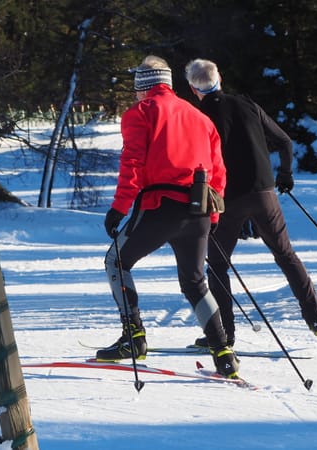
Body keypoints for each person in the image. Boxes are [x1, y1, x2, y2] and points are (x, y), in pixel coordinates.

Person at [97, 55, 240, 378]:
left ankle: (133, 338)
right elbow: (219, 171)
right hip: (200, 210)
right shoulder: (199, 116)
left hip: (160, 206)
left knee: (116, 262)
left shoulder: (140, 113)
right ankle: (223, 352)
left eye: (136, 88)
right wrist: (213, 217)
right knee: (195, 281)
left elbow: (132, 163)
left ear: (143, 87)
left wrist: (119, 207)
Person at [184, 58, 317, 347]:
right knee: (286, 255)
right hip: (265, 194)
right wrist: (285, 174)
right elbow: (285, 142)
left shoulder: (199, 118)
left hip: (228, 200)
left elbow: (197, 164)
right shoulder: (247, 104)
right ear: (219, 78)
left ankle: (225, 335)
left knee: (217, 265)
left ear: (192, 89)